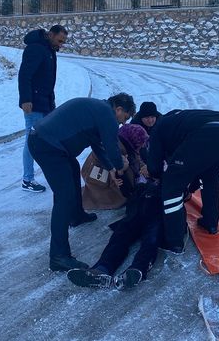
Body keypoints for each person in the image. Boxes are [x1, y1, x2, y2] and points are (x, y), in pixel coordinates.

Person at [27, 93, 136, 271]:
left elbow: (97, 144)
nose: (123, 123)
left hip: (46, 141)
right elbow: (111, 145)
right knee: (64, 198)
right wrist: (120, 166)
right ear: (118, 109)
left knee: (72, 168)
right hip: (48, 146)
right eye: (124, 118)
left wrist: (110, 169)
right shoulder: (106, 114)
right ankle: (58, 256)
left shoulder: (98, 109)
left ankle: (76, 215)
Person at [147, 109, 219, 253]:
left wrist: (160, 179)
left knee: (171, 186)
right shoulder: (183, 121)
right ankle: (211, 223)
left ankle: (174, 241)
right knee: (209, 174)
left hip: (209, 134)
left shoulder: (159, 128)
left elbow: (154, 167)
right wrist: (188, 186)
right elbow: (191, 163)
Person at [68, 160, 163, 290]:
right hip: (135, 213)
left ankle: (137, 269)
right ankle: (101, 270)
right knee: (119, 237)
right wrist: (121, 173)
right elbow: (127, 192)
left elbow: (182, 192)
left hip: (156, 214)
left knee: (151, 241)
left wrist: (157, 173)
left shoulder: (168, 172)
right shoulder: (138, 173)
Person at [18, 25, 68, 193]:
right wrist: (26, 99)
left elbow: (47, 81)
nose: (61, 45)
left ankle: (51, 172)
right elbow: (24, 75)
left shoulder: (49, 49)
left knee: (46, 139)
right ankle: (27, 179)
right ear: (50, 34)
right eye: (60, 40)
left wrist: (51, 103)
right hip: (33, 104)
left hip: (45, 103)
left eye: (63, 42)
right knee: (31, 141)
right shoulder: (36, 49)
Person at [81, 124, 149, 210]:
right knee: (123, 196)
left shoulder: (127, 143)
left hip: (105, 172)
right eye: (140, 144)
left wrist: (143, 166)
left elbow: (136, 156)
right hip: (99, 177)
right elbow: (120, 177)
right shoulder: (114, 148)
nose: (141, 147)